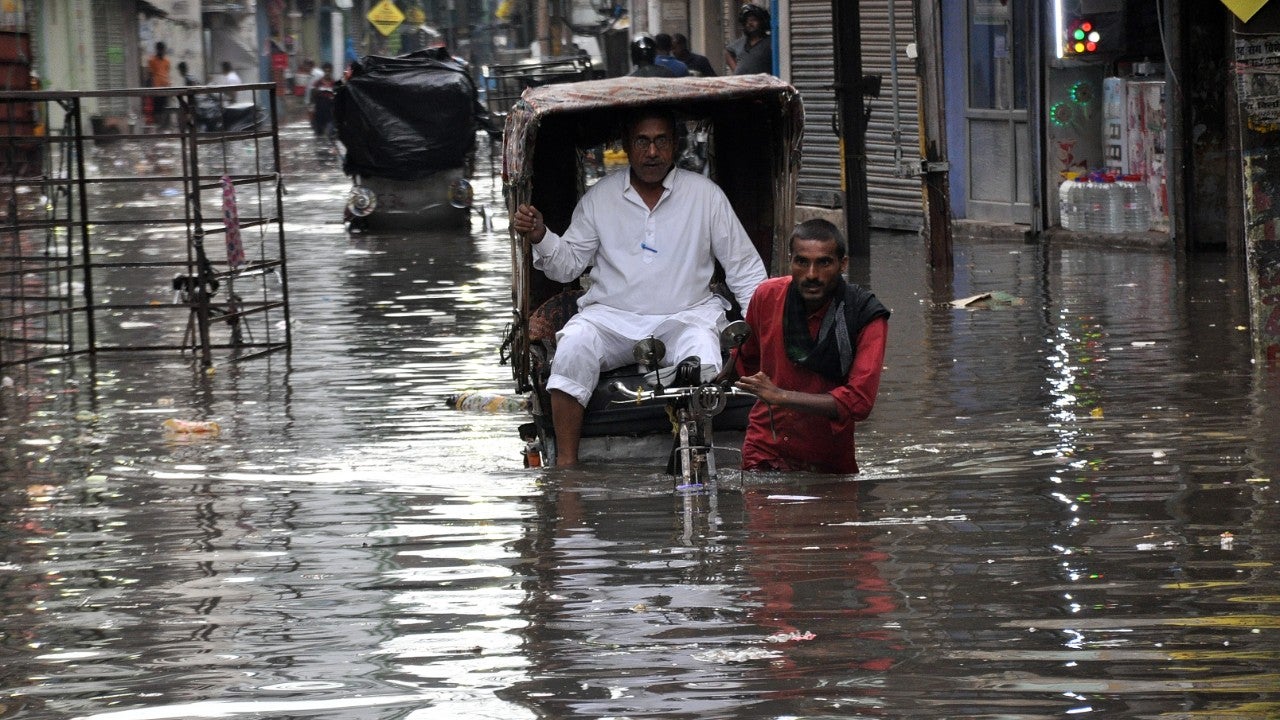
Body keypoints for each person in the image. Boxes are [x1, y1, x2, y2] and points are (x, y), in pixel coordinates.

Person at [511, 108, 767, 467]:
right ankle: (566, 469)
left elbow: (744, 268)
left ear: (674, 145)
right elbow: (566, 265)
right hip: (611, 319)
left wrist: (767, 327)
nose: (652, 152)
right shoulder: (600, 198)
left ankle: (699, 458)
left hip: (686, 316)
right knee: (573, 346)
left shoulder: (705, 196)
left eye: (661, 141)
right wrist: (540, 235)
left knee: (704, 353)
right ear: (627, 147)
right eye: (642, 142)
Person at [722, 219, 889, 474]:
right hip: (765, 447)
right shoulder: (767, 296)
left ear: (842, 265)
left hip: (826, 456)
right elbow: (746, 362)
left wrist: (780, 396)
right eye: (802, 262)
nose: (812, 275)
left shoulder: (865, 314)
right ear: (790, 262)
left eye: (824, 262)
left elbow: (859, 401)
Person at [726, 3, 773, 76]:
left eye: (753, 20)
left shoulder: (770, 42)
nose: (749, 24)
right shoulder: (741, 42)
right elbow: (727, 52)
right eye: (746, 21)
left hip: (762, 85)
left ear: (762, 21)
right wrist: (736, 70)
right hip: (742, 85)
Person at [146, 41, 172, 129]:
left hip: (165, 87)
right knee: (157, 109)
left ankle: (163, 126)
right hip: (156, 88)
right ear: (157, 50)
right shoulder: (152, 60)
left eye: (162, 49)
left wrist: (168, 85)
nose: (161, 51)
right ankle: (158, 126)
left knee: (165, 107)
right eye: (160, 49)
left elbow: (167, 73)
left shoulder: (167, 61)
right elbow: (150, 74)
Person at [309, 62, 337, 138]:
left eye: (329, 71)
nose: (327, 73)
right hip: (319, 113)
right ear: (323, 71)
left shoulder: (335, 84)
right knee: (319, 135)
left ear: (331, 71)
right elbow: (312, 99)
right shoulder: (317, 83)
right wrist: (311, 111)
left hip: (330, 113)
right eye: (326, 71)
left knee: (330, 133)